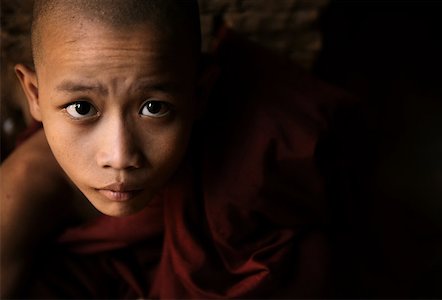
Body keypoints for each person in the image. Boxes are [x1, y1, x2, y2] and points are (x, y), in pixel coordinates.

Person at [1, 0, 352, 298]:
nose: (120, 156)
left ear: (200, 94)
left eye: (154, 108)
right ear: (34, 94)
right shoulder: (20, 193)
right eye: (82, 108)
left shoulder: (257, 157)